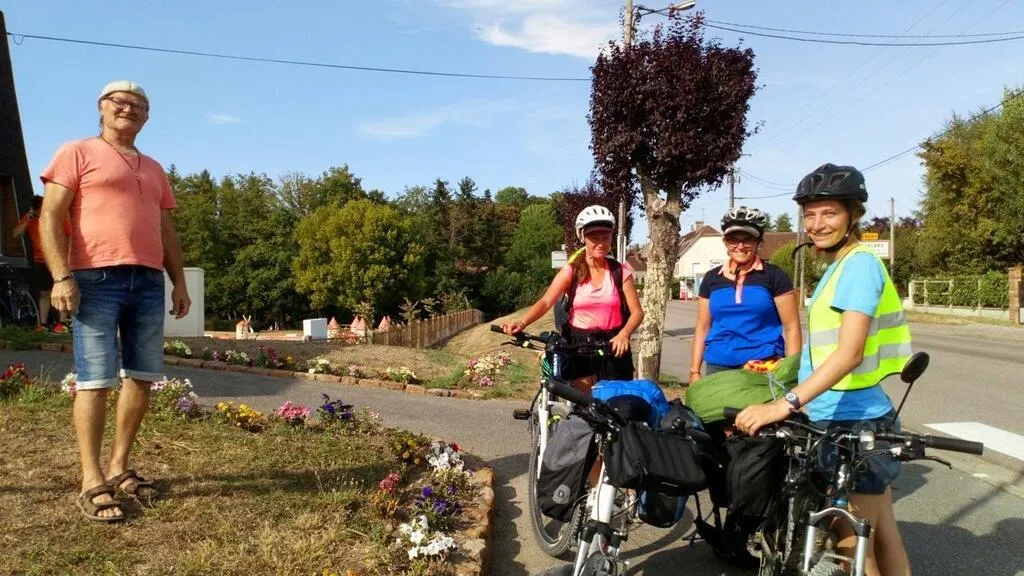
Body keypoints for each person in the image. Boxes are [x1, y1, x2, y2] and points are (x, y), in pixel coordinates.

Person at [735, 163, 913, 576]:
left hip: (854, 423)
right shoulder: (841, 265)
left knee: (852, 546)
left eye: (829, 213)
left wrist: (785, 404)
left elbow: (849, 354)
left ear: (854, 214)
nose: (817, 224)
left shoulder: (859, 266)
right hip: (854, 416)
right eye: (810, 214)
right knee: (881, 535)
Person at [39, 80, 191, 523]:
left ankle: (119, 467)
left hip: (147, 280)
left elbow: (167, 231)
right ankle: (92, 479)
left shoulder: (155, 168)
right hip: (95, 278)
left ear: (147, 117)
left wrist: (178, 283)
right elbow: (51, 215)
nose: (129, 108)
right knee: (95, 379)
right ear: (101, 107)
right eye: (119, 102)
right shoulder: (77, 152)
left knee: (141, 377)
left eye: (138, 105)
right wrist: (61, 276)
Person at [501, 204, 644, 393]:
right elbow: (546, 301)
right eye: (594, 238)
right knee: (583, 405)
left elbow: (637, 312)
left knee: (617, 405)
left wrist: (624, 334)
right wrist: (522, 322)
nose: (601, 243)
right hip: (579, 346)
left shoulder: (620, 271)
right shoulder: (572, 271)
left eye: (605, 237)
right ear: (583, 237)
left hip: (613, 344)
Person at [689, 206, 801, 382]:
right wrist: (694, 371)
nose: (740, 246)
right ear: (725, 242)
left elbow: (792, 327)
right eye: (733, 240)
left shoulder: (774, 276)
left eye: (747, 239)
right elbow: (703, 327)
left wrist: (791, 372)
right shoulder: (711, 279)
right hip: (719, 365)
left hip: (764, 363)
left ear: (758, 242)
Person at [12, 195, 72, 332]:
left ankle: (62, 323)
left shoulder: (57, 216)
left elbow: (68, 235)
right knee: (44, 293)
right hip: (40, 261)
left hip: (58, 260)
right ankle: (43, 324)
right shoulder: (30, 218)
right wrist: (27, 220)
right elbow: (16, 234)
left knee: (61, 290)